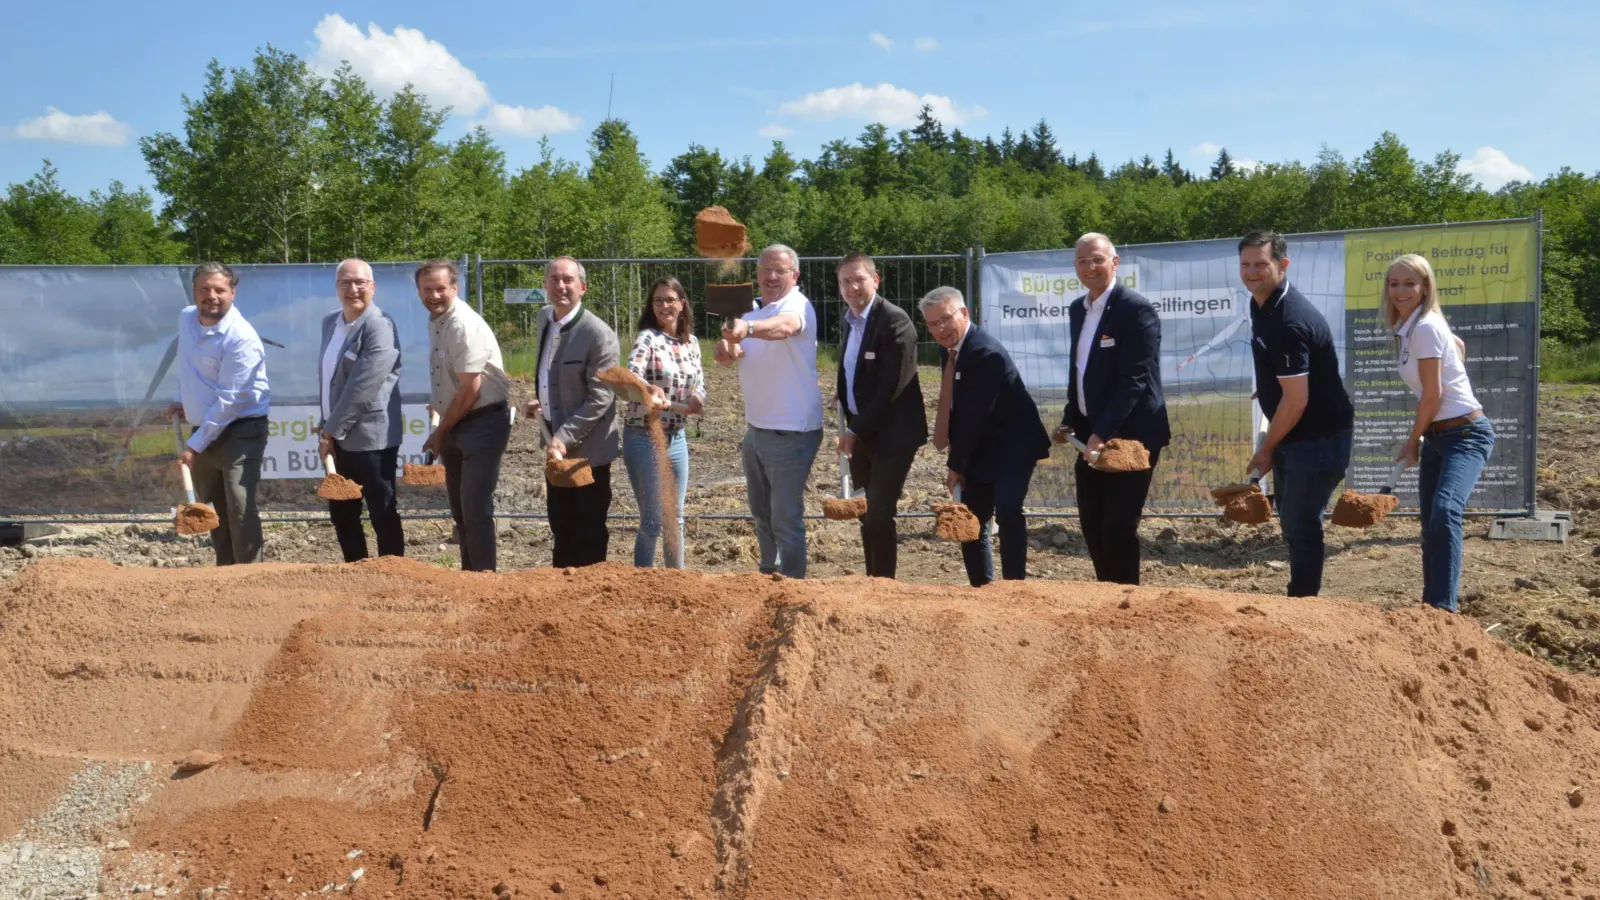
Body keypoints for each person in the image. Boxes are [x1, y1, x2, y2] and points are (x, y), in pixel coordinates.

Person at [1240, 230, 1355, 597]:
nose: (1252, 272)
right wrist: (1271, 387)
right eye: (1245, 265)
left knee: (1301, 525)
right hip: (1298, 430)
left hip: (1317, 438)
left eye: (1261, 264)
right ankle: (1302, 599)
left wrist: (1266, 448)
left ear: (1282, 265)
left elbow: (1297, 401)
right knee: (1293, 522)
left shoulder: (1289, 320)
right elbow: (1289, 383)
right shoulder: (1260, 302)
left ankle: (1304, 606)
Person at [1052, 233, 1170, 585]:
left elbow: (1134, 380)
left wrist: (1100, 435)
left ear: (1115, 262)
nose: (1090, 267)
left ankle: (1127, 604)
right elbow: (1081, 372)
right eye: (1082, 261)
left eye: (1097, 259)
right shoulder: (1079, 309)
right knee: (1092, 525)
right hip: (1091, 433)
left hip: (1133, 436)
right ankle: (1107, 599)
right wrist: (1071, 421)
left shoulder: (1137, 310)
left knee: (1118, 525)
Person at [1381, 253, 1494, 612]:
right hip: (1438, 436)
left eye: (1410, 283)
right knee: (1431, 522)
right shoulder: (1414, 328)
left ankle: (1444, 611)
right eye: (1393, 283)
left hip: (1466, 433)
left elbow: (1434, 394)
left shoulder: (1425, 327)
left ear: (1425, 286)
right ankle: (1431, 609)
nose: (1400, 290)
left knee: (1445, 511)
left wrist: (1412, 440)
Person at [921, 286, 1051, 587]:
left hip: (1013, 447)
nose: (940, 329)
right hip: (981, 447)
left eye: (945, 319)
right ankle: (982, 589)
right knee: (970, 519)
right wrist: (960, 460)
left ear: (964, 314)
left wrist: (956, 465)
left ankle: (1014, 588)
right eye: (932, 324)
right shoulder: (951, 351)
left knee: (1007, 510)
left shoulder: (984, 352)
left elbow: (976, 416)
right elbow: (958, 409)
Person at [714, 243, 824, 579]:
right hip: (757, 430)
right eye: (765, 270)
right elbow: (729, 351)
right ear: (756, 274)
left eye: (780, 270)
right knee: (761, 514)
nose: (772, 276)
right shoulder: (750, 312)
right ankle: (767, 576)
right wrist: (726, 347)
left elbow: (786, 328)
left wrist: (746, 330)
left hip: (792, 431)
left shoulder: (797, 305)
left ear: (795, 275)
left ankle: (791, 585)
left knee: (785, 517)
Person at [170, 261, 272, 566]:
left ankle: (252, 575)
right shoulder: (186, 318)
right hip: (204, 428)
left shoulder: (241, 338)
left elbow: (229, 401)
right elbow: (187, 366)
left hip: (242, 427)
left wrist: (193, 446)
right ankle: (225, 573)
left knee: (239, 502)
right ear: (194, 292)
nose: (211, 296)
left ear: (233, 293)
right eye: (204, 289)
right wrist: (182, 400)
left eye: (219, 289)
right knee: (213, 503)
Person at [835, 252, 927, 578]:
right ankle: (872, 580)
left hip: (893, 435)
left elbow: (891, 386)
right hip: (862, 434)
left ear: (875, 280)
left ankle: (884, 587)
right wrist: (848, 413)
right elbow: (854, 374)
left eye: (858, 279)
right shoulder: (850, 320)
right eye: (845, 281)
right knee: (864, 512)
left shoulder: (894, 321)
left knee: (879, 513)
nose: (852, 287)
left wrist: (854, 430)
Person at [418, 258, 511, 572]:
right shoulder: (438, 321)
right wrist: (440, 407)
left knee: (474, 510)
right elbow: (451, 380)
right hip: (458, 423)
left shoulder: (462, 324)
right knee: (461, 510)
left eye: (441, 288)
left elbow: (471, 390)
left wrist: (440, 432)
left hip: (483, 423)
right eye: (427, 289)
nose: (434, 295)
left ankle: (484, 583)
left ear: (454, 288)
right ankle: (469, 580)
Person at [527, 256, 620, 568]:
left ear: (583, 287)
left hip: (588, 453)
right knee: (561, 527)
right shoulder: (545, 319)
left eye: (568, 280)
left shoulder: (598, 334)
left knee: (588, 531)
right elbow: (549, 373)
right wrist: (540, 400)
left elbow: (601, 397)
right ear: (545, 286)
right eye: (554, 280)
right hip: (557, 450)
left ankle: (591, 605)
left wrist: (563, 436)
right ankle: (561, 599)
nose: (561, 286)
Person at [318, 258, 405, 563]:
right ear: (336, 287)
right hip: (337, 435)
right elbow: (332, 380)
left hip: (372, 438)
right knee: (343, 514)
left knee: (381, 512)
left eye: (360, 283)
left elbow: (362, 387)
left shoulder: (380, 326)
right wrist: (325, 425)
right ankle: (356, 576)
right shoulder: (330, 322)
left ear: (373, 287)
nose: (352, 289)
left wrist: (330, 430)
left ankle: (394, 577)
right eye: (345, 283)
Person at [621, 276, 704, 569]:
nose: (665, 306)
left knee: (675, 516)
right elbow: (631, 375)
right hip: (644, 435)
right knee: (653, 518)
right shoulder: (647, 338)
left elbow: (700, 383)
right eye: (658, 301)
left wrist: (698, 400)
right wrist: (648, 389)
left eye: (670, 299)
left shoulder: (691, 342)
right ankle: (643, 583)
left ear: (681, 304)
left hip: (677, 437)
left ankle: (675, 582)